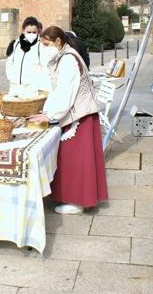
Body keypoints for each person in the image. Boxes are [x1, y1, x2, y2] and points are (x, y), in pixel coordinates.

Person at [29, 26, 108, 214]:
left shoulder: (68, 60)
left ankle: (78, 201)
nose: (44, 47)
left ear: (57, 42)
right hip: (78, 113)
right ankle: (76, 197)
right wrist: (47, 111)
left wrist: (50, 115)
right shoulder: (63, 57)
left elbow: (66, 93)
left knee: (75, 158)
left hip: (80, 115)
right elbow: (58, 91)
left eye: (46, 44)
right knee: (73, 158)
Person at [6, 16, 56, 92]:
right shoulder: (16, 44)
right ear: (23, 31)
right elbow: (9, 62)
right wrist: (11, 78)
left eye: (34, 32)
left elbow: (48, 66)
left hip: (33, 90)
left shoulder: (41, 45)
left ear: (38, 32)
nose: (31, 34)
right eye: (28, 32)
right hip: (15, 88)